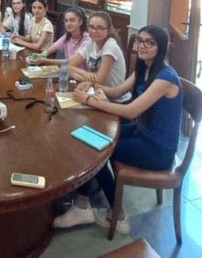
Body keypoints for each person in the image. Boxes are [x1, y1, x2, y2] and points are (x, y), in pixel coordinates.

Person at [52, 25, 183, 235]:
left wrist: (89, 100)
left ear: (162, 48)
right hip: (142, 132)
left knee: (97, 151)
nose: (142, 46)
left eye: (150, 42)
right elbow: (115, 91)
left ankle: (117, 215)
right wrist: (89, 85)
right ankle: (82, 203)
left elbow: (131, 111)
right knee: (91, 138)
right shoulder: (143, 68)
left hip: (157, 149)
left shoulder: (165, 78)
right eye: (140, 40)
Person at [65, 11, 128, 101]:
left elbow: (99, 81)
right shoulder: (90, 44)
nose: (94, 31)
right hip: (96, 94)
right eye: (91, 27)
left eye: (100, 28)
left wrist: (78, 76)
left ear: (108, 30)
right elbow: (69, 66)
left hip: (114, 100)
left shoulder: (110, 46)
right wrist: (86, 74)